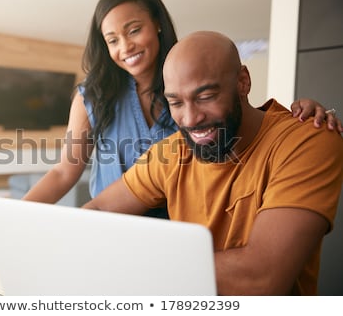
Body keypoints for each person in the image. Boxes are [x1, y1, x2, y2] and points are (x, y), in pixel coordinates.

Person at [23, 0, 341, 219]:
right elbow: (65, 170)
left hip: (179, 226)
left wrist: (298, 113)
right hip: (109, 221)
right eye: (113, 40)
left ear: (157, 25)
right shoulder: (92, 96)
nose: (125, 46)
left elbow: (236, 124)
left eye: (134, 30)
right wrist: (13, 216)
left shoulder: (189, 88)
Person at [83, 31, 343, 295]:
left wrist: (133, 265)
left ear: (243, 82)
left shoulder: (307, 140)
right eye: (176, 102)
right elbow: (97, 212)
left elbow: (261, 277)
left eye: (205, 97)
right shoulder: (171, 153)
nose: (191, 118)